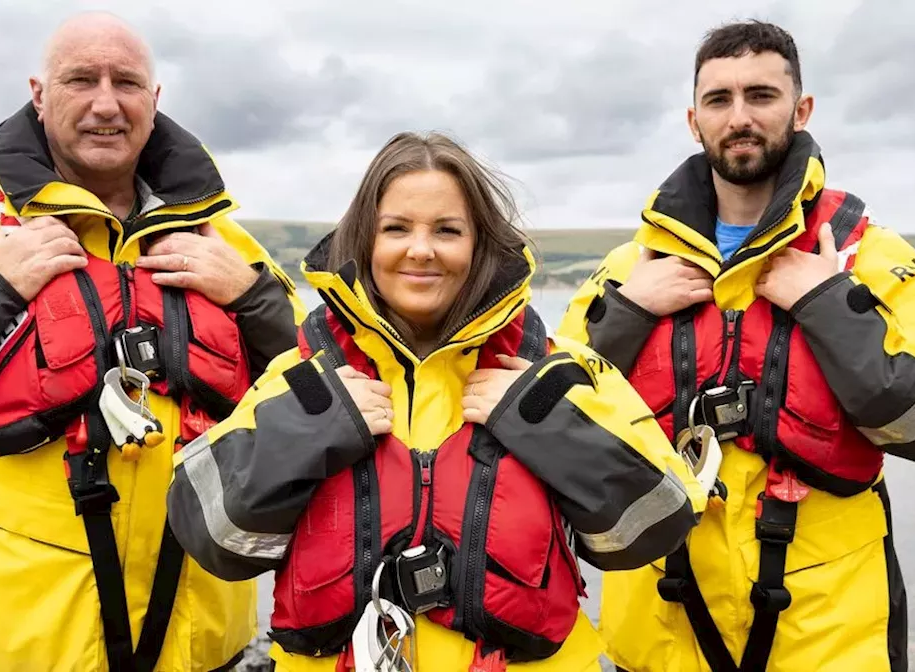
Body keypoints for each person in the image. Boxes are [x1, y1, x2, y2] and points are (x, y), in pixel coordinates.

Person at [0, 12, 304, 671]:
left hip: (193, 637)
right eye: (81, 80)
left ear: (154, 102)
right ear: (39, 95)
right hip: (13, 639)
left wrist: (254, 298)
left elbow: (324, 392)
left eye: (127, 82)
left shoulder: (227, 247)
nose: (107, 103)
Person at [556, 20, 915, 672]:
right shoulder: (634, 267)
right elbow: (547, 423)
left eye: (761, 95)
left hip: (831, 635)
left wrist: (831, 305)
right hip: (663, 629)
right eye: (719, 99)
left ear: (801, 111)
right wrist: (625, 314)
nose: (739, 116)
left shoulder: (865, 255)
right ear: (694, 120)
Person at [165, 131, 708, 671]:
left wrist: (546, 422)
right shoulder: (303, 379)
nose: (420, 250)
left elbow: (659, 523)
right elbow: (208, 535)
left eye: (447, 230)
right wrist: (307, 431)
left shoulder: (557, 373)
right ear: (364, 242)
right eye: (396, 228)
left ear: (480, 245)